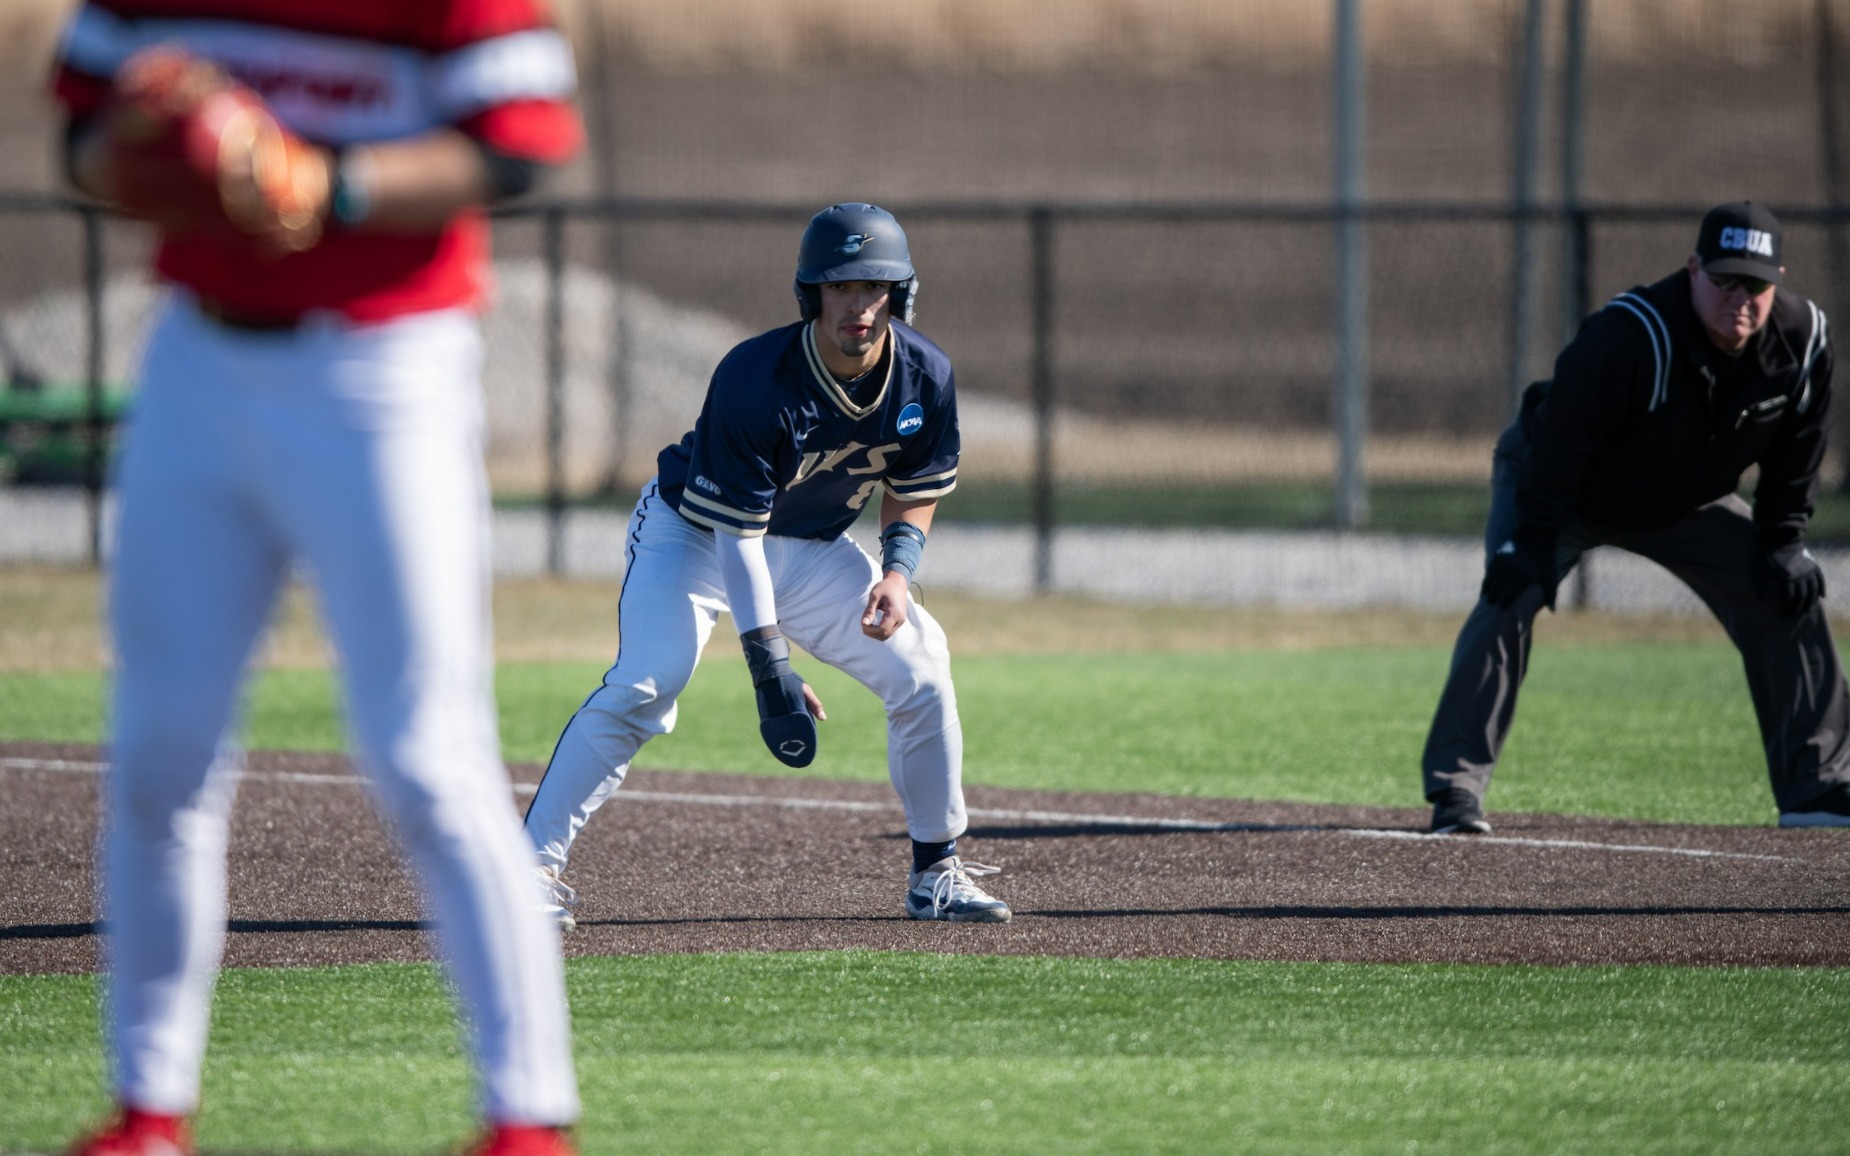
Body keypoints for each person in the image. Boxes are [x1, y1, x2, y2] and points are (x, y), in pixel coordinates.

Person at [49, 2, 585, 1153]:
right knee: (158, 752)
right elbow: (82, 145)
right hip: (197, 358)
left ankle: (527, 1119)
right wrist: (151, 149)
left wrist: (320, 183)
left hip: (380, 368)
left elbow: (520, 145)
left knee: (430, 759)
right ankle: (147, 1111)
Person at [523, 202, 1011, 926]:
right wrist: (770, 667)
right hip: (693, 535)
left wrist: (898, 573)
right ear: (811, 294)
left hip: (811, 548)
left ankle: (936, 872)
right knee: (648, 683)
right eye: (840, 286)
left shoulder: (925, 375)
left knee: (922, 670)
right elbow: (738, 540)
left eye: (873, 286)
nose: (858, 304)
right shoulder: (757, 378)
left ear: (899, 294)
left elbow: (913, 490)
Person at [1422, 201, 1850, 834]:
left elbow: (1799, 449)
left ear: (1778, 279)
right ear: (1693, 270)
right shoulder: (1633, 333)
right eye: (1725, 278)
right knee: (1510, 592)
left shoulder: (1803, 340)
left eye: (1756, 283)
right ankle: (1455, 791)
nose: (1741, 296)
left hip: (1684, 504)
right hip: (1564, 490)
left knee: (1787, 594)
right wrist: (1532, 540)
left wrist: (1784, 540)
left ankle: (1816, 788)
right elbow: (1562, 437)